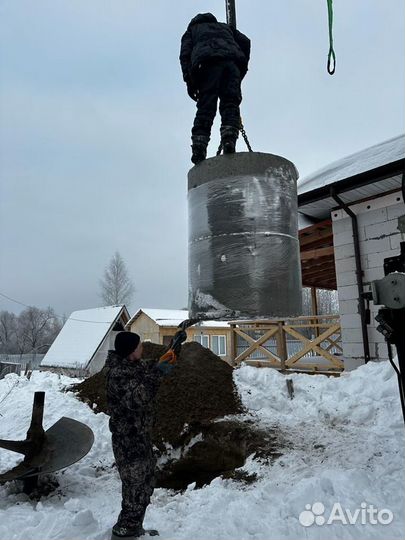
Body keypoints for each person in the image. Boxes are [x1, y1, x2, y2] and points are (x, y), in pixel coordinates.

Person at [106, 331, 173, 539]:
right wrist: (158, 374)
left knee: (145, 483)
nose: (142, 349)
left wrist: (169, 352)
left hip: (140, 436)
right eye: (139, 347)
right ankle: (124, 531)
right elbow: (136, 399)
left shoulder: (133, 366)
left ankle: (135, 527)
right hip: (128, 440)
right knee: (134, 487)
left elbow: (147, 369)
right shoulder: (118, 374)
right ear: (130, 351)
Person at [180, 12, 251, 165]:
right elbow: (245, 41)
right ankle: (229, 139)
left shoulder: (192, 31)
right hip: (231, 64)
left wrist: (190, 83)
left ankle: (199, 148)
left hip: (207, 64)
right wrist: (241, 65)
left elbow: (185, 57)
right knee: (230, 103)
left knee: (206, 106)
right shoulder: (225, 28)